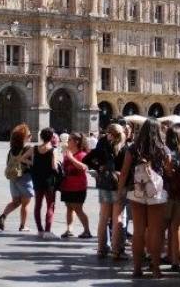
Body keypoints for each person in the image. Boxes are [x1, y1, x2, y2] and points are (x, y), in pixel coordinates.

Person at [117, 118, 171, 278]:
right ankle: (155, 269)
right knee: (155, 231)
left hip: (137, 191)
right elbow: (168, 172)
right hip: (156, 193)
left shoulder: (133, 148)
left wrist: (120, 191)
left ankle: (137, 268)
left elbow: (125, 171)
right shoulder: (163, 149)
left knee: (138, 231)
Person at [83, 123, 127, 259]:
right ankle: (116, 250)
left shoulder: (102, 145)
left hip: (105, 184)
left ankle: (101, 248)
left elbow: (86, 159)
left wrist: (99, 167)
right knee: (117, 218)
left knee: (103, 218)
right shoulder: (124, 148)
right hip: (119, 184)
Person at [0, 124, 34, 231]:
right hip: (24, 178)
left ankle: (3, 215)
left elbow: (8, 163)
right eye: (29, 134)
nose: (30, 136)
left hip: (13, 178)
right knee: (25, 204)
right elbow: (32, 164)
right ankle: (23, 226)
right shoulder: (27, 148)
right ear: (25, 137)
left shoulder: (11, 150)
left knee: (15, 202)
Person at [163, 126, 180, 271]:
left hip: (167, 193)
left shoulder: (166, 152)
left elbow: (166, 172)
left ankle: (161, 254)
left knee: (162, 226)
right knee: (177, 225)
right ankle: (175, 260)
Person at [60, 133, 91, 238]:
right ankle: (69, 229)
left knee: (78, 208)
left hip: (78, 186)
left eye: (69, 140)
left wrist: (71, 158)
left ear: (76, 142)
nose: (67, 142)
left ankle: (87, 230)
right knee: (69, 207)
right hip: (67, 185)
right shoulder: (67, 153)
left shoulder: (82, 154)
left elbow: (83, 168)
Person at [32, 128, 60, 239]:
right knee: (50, 205)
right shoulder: (53, 150)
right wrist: (58, 164)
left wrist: (33, 164)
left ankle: (40, 230)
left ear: (41, 137)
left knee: (37, 205)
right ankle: (48, 231)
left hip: (37, 180)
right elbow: (54, 166)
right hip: (49, 181)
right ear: (51, 137)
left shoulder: (34, 148)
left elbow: (22, 159)